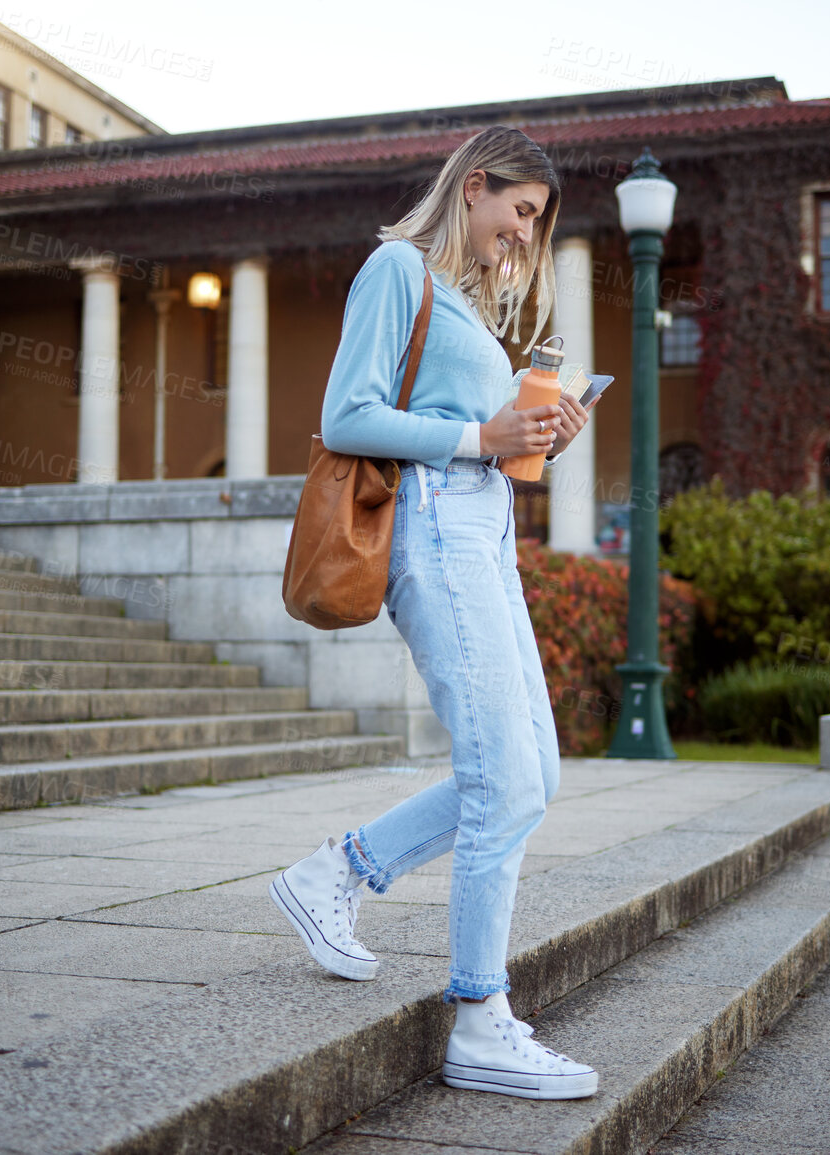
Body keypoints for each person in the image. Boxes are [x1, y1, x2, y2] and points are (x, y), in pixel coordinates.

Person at [268, 126, 598, 1100]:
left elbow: (484, 440)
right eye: (522, 213)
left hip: (486, 532)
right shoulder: (397, 269)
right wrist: (478, 434)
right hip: (431, 528)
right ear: (476, 186)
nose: (525, 238)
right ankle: (480, 1019)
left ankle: (337, 873)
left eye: (538, 226)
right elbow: (344, 417)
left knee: (529, 771)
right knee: (505, 777)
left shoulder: (467, 304)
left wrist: (538, 431)